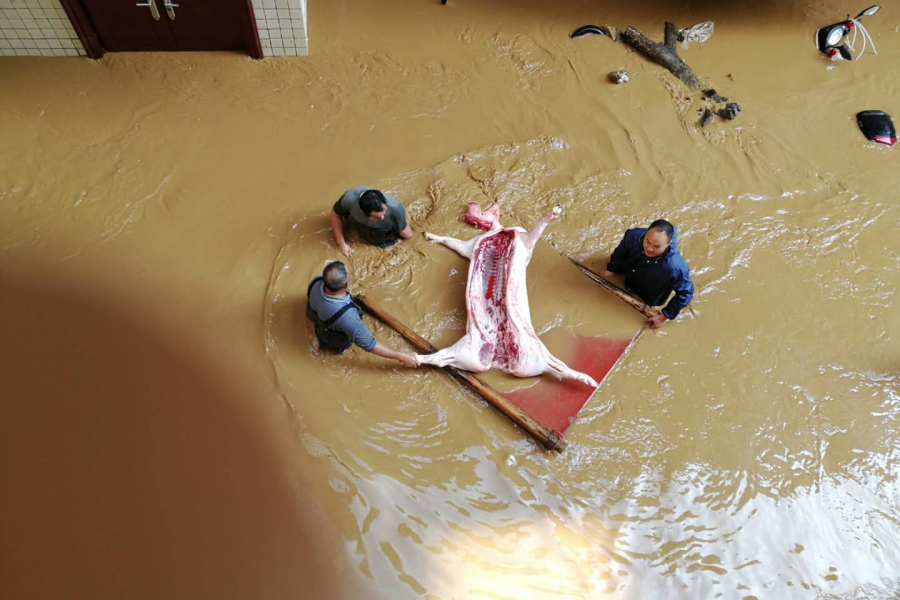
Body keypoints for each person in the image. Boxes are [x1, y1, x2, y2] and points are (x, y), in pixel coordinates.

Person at [306, 261, 419, 368]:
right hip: (333, 332)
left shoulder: (317, 280)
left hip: (317, 313)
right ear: (346, 285)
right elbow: (370, 345)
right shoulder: (348, 318)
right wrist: (402, 356)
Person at [602, 219, 694, 329]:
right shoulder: (633, 236)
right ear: (645, 234)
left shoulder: (675, 267)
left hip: (651, 295)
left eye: (657, 246)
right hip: (630, 276)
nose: (649, 248)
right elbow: (620, 253)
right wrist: (610, 270)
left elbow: (686, 292)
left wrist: (664, 316)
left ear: (668, 244)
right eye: (647, 241)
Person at [331, 187, 413, 256]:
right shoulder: (348, 200)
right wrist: (341, 243)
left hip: (383, 236)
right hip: (360, 225)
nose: (382, 217)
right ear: (362, 211)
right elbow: (335, 216)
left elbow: (407, 234)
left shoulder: (395, 210)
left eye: (384, 212)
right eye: (376, 217)